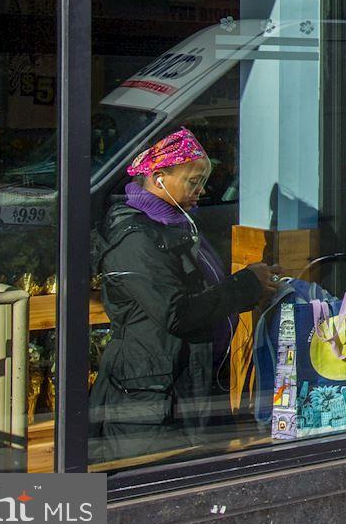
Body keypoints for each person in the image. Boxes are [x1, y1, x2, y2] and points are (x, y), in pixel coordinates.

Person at [89, 128, 275, 462]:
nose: (202, 190)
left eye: (202, 181)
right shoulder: (135, 239)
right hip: (152, 398)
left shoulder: (176, 225)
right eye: (193, 181)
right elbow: (176, 311)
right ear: (159, 178)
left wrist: (252, 290)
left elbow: (198, 291)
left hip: (189, 383)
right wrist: (246, 285)